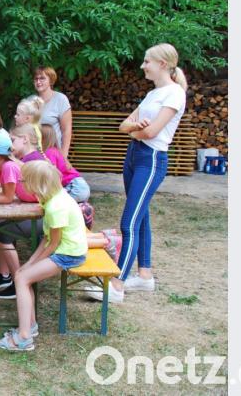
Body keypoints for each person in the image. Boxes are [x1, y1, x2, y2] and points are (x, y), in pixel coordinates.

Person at [86, 43, 187, 303]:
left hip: (150, 159)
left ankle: (116, 285)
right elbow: (123, 125)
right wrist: (134, 128)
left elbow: (151, 132)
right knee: (141, 217)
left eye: (147, 62)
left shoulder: (175, 94)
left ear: (162, 64)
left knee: (128, 222)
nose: (143, 66)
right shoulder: (153, 94)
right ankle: (144, 276)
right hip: (133, 156)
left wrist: (135, 130)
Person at [0, 160, 88, 352]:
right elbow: (47, 238)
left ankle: (24, 338)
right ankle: (30, 327)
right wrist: (30, 262)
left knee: (21, 278)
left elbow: (53, 243)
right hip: (62, 249)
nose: (21, 183)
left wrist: (31, 264)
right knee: (22, 275)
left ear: (35, 183)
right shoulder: (52, 197)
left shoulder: (56, 207)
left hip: (68, 254)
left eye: (24, 180)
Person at [0, 124, 46, 300]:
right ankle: (6, 277)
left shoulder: (7, 167)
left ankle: (18, 282)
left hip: (48, 216)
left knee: (2, 233)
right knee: (2, 230)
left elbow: (6, 197)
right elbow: (7, 195)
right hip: (39, 210)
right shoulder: (2, 165)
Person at [40, 124, 90, 202]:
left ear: (42, 139)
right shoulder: (56, 151)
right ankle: (83, 207)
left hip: (74, 187)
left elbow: (51, 173)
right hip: (80, 186)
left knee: (55, 202)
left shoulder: (49, 153)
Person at [34, 66, 72, 157]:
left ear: (51, 81)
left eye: (42, 78)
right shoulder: (30, 100)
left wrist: (64, 154)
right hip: (33, 152)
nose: (38, 82)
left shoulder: (60, 99)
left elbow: (66, 129)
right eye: (36, 79)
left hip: (53, 153)